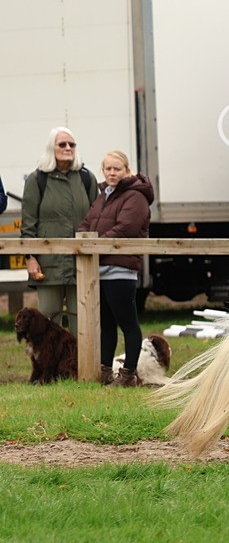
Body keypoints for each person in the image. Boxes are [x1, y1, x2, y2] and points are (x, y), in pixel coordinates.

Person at [78, 150, 154, 386]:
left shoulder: (136, 197)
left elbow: (125, 229)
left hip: (120, 270)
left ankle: (128, 374)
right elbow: (85, 224)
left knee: (127, 323)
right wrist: (85, 242)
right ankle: (105, 371)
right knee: (107, 325)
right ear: (102, 170)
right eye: (108, 168)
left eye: (117, 169)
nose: (112, 173)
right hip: (99, 269)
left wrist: (93, 246)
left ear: (127, 170)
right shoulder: (104, 195)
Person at [21, 126, 99, 334]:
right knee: (47, 321)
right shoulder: (37, 180)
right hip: (48, 265)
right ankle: (49, 358)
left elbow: (97, 219)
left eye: (72, 144)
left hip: (81, 262)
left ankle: (80, 357)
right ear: (51, 148)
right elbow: (28, 224)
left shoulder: (87, 178)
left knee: (82, 321)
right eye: (62, 144)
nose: (68, 148)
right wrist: (30, 257)